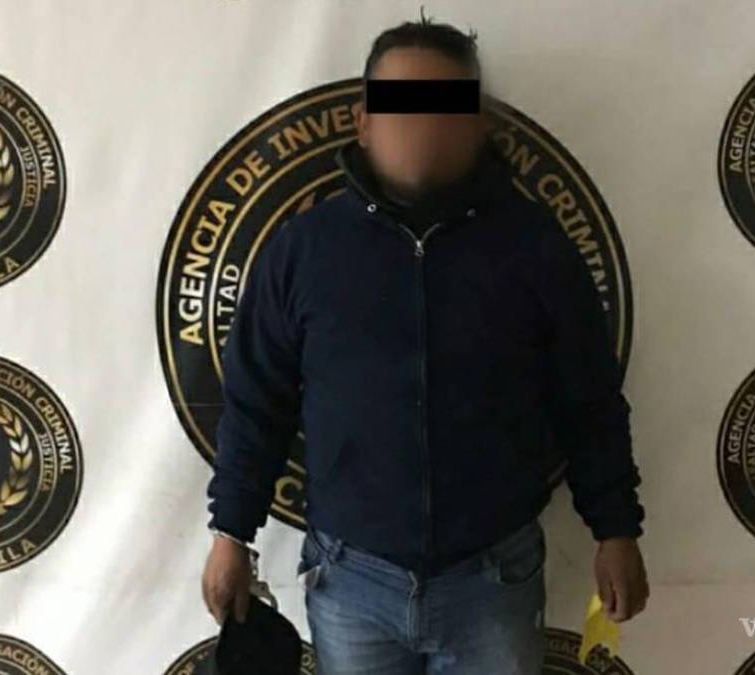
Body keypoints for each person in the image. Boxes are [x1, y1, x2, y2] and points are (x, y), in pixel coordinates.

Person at [201, 13, 648, 674]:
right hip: (350, 580)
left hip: (493, 580)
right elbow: (254, 405)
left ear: (478, 124)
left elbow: (589, 402)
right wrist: (231, 533)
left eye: (444, 106)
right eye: (402, 105)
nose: (423, 125)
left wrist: (617, 529)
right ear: (363, 122)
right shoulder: (303, 252)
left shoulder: (536, 249)